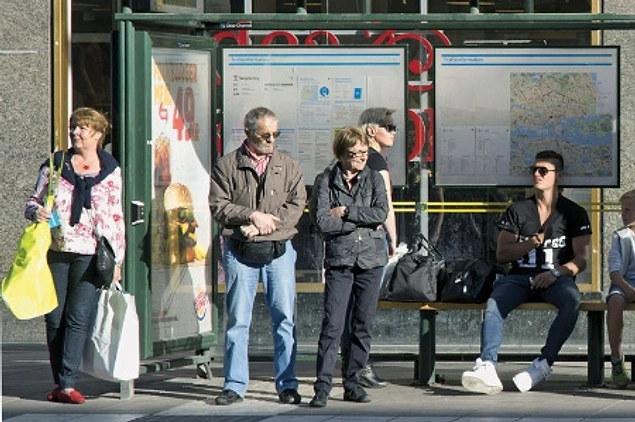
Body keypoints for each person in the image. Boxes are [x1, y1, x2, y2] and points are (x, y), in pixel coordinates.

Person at [461, 150, 591, 394]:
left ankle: (543, 364)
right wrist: (530, 243)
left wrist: (556, 273)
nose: (537, 175)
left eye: (544, 170)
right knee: (494, 304)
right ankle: (487, 365)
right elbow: (502, 254)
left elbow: (582, 260)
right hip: (520, 277)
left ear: (558, 175)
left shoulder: (574, 212)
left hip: (556, 279)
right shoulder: (519, 210)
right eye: (534, 170)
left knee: (572, 301)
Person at [25, 107, 125, 404]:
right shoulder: (55, 165)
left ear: (97, 134)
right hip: (57, 249)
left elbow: (116, 217)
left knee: (78, 317)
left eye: (82, 128)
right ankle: (60, 382)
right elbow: (32, 202)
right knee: (54, 319)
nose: (75, 133)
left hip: (91, 252)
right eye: (73, 127)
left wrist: (117, 260)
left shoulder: (110, 169)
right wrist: (37, 211)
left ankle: (68, 383)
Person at [209, 107, 306, 406]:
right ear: (248, 132)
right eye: (266, 135)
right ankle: (234, 385)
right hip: (240, 252)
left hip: (279, 251)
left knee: (284, 319)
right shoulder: (227, 166)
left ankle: (287, 384)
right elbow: (218, 205)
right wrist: (250, 216)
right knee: (238, 320)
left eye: (276, 134)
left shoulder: (287, 164)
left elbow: (297, 203)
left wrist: (264, 226)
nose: (272, 140)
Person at [308, 126, 389, 407]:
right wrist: (360, 221)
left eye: (364, 153)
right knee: (333, 324)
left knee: (362, 324)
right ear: (341, 155)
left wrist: (346, 212)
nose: (361, 158)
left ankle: (353, 383)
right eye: (355, 154)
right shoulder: (325, 181)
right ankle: (322, 387)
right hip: (340, 260)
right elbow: (322, 222)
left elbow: (381, 212)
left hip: (371, 259)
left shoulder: (374, 178)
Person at [341, 107, 398, 389]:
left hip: (351, 241)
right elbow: (385, 206)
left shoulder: (364, 160)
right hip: (369, 244)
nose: (395, 131)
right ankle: (360, 366)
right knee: (362, 310)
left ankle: (354, 365)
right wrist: (393, 240)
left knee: (352, 308)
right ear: (372, 130)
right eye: (389, 126)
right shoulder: (376, 162)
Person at [606, 189, 635, 388]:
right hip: (625, 282)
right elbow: (614, 272)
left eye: (628, 210)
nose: (623, 214)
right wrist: (629, 289)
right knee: (615, 302)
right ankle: (617, 359)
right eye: (622, 210)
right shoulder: (620, 237)